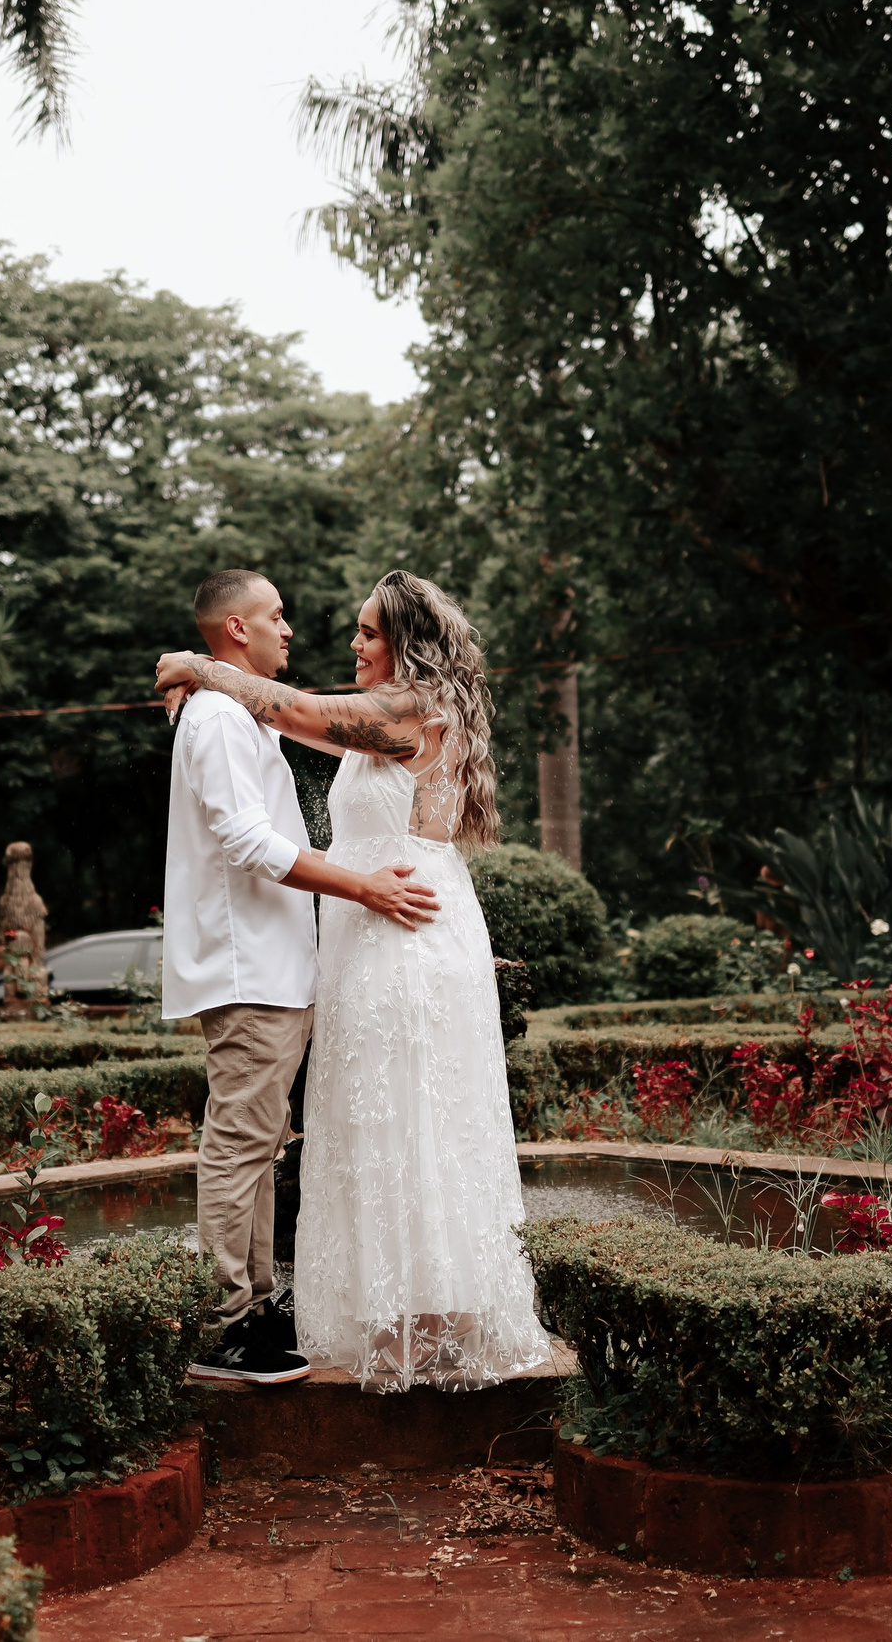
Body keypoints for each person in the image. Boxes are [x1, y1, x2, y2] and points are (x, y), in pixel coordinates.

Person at [157, 569, 553, 1392]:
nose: (351, 643)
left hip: (402, 932)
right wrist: (211, 682)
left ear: (404, 643)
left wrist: (198, 666)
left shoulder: (405, 711)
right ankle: (391, 1306)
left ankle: (430, 1318)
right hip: (377, 935)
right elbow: (294, 719)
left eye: (368, 632)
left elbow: (295, 709)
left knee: (415, 1122)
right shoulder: (379, 725)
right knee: (383, 1124)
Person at [165, 569, 441, 1385]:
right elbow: (247, 842)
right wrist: (363, 886)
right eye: (277, 616)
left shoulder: (246, 713)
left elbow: (313, 723)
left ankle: (253, 1303)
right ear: (237, 631)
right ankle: (224, 1324)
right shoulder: (216, 719)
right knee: (238, 1144)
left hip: (278, 967)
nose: (293, 630)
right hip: (247, 966)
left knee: (258, 1144)